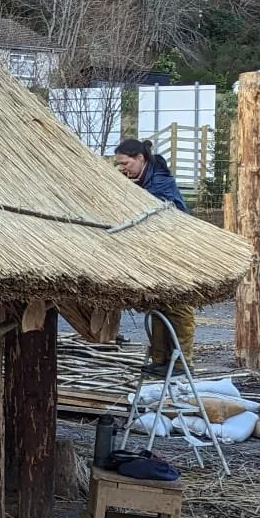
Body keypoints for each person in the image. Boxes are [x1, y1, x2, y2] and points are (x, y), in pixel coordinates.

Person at [113, 137, 195, 374]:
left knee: (179, 305)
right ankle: (160, 360)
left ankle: (182, 363)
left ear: (141, 158)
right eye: (119, 164)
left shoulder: (160, 181)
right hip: (154, 249)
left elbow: (159, 210)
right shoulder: (139, 179)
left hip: (175, 247)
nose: (122, 168)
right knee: (158, 303)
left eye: (125, 163)